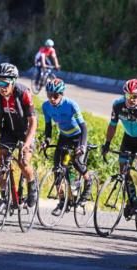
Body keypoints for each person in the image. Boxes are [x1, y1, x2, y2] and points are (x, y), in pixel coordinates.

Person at [0, 63, 38, 213]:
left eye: (5, 83)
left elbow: (33, 121)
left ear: (13, 82)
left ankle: (32, 187)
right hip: (7, 130)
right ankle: (4, 198)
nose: (2, 87)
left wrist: (26, 143)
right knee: (2, 161)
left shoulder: (23, 93)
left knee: (23, 161)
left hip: (25, 130)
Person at [101, 79, 137, 215]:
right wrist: (107, 144)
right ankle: (131, 199)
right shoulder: (118, 105)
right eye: (128, 96)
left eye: (134, 97)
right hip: (128, 138)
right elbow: (112, 126)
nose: (131, 99)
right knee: (123, 168)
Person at [41, 78, 93, 216]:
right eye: (49, 95)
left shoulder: (71, 105)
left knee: (76, 162)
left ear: (62, 95)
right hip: (63, 136)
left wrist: (82, 145)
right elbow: (48, 127)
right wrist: (46, 140)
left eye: (55, 96)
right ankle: (62, 201)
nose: (52, 99)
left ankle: (88, 181)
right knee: (58, 169)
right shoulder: (46, 106)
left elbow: (83, 127)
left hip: (78, 136)